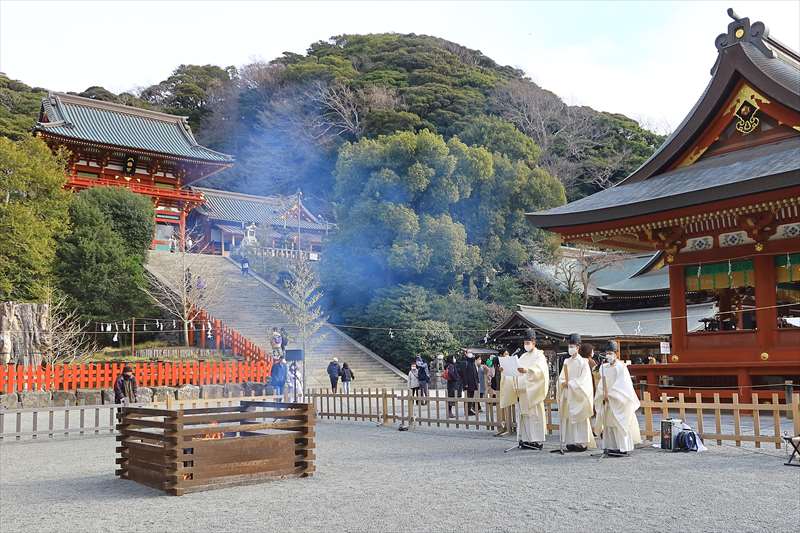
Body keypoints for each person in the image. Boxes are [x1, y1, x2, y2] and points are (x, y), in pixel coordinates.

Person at [499, 329, 549, 450]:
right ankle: (526, 439)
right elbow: (515, 369)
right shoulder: (523, 356)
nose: (526, 344)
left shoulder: (539, 355)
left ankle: (536, 441)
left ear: (534, 342)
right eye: (525, 342)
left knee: (534, 417)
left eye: (528, 342)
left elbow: (541, 371)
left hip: (533, 392)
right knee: (524, 416)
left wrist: (528, 371)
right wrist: (504, 370)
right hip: (522, 392)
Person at [594, 340, 642, 457]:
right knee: (608, 423)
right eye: (607, 353)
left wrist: (611, 394)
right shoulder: (603, 368)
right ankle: (610, 446)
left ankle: (623, 447)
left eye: (610, 353)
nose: (608, 355)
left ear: (616, 353)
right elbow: (601, 383)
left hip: (618, 399)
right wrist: (602, 394)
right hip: (607, 399)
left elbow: (623, 384)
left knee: (619, 423)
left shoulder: (621, 367)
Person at [553, 334, 596, 453]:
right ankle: (571, 441)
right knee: (568, 418)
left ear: (578, 347)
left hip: (578, 395)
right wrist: (561, 383)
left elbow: (584, 381)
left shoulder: (583, 362)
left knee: (579, 418)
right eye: (569, 346)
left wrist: (571, 384)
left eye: (573, 346)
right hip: (568, 393)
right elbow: (561, 377)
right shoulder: (567, 361)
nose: (570, 348)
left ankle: (581, 443)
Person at [459, 351, 479, 416]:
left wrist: (477, 381)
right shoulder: (465, 362)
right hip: (468, 383)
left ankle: (469, 409)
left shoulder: (472, 362)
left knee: (471, 396)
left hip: (473, 382)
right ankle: (467, 410)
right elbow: (464, 374)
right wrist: (465, 383)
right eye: (469, 352)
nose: (471, 354)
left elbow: (475, 372)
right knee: (468, 396)